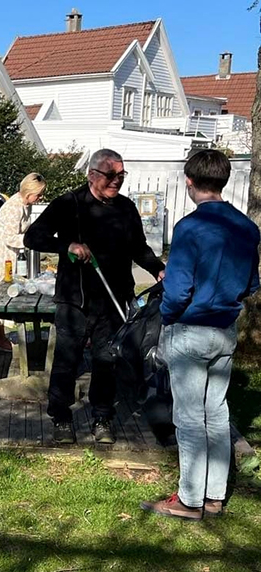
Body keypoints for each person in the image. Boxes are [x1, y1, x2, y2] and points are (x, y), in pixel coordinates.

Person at [141, 150, 260, 520]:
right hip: (225, 328)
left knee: (190, 418)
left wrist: (166, 315)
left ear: (189, 181)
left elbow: (176, 291)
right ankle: (214, 496)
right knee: (217, 413)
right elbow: (252, 282)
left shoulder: (189, 227)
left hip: (191, 328)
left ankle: (190, 499)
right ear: (223, 180)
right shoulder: (247, 227)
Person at [24, 149, 165, 445]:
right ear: (92, 175)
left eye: (121, 175)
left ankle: (102, 416)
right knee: (67, 360)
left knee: (106, 360)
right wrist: (68, 245)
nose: (117, 181)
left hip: (114, 298)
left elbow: (139, 247)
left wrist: (158, 270)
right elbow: (32, 237)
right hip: (76, 300)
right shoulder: (69, 204)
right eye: (110, 175)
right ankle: (61, 417)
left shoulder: (125, 208)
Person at [0, 173, 47, 352]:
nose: (41, 198)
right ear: (29, 191)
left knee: (2, 294)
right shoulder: (14, 207)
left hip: (8, 256)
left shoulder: (24, 205)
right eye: (39, 194)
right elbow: (10, 237)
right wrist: (31, 240)